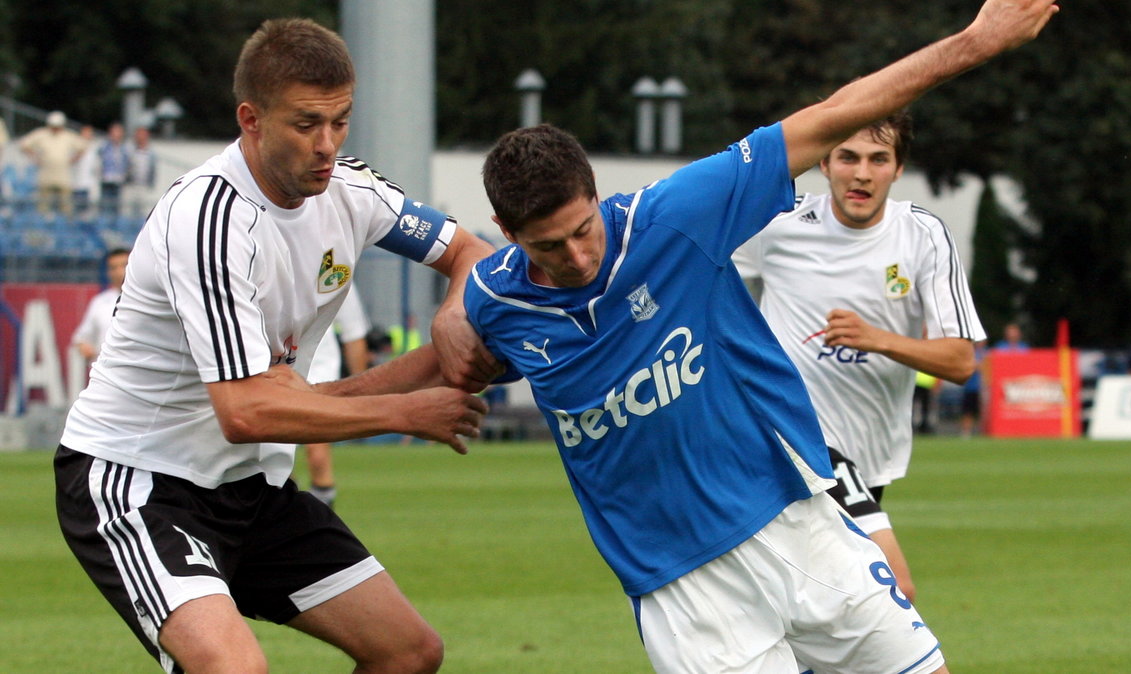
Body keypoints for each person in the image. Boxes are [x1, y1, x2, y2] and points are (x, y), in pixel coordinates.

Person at [463, 2, 1059, 671]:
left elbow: (833, 112)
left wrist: (977, 42)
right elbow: (454, 346)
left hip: (796, 514)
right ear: (506, 231)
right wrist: (392, 401)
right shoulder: (493, 300)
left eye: (583, 230)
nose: (575, 257)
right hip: (683, 587)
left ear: (595, 193)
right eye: (550, 246)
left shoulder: (679, 213)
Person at [54, 18, 499, 674]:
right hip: (140, 480)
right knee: (233, 669)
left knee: (408, 652)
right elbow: (245, 413)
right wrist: (406, 411)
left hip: (249, 488)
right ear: (251, 119)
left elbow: (470, 251)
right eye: (306, 124)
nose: (327, 145)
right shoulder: (209, 218)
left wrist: (453, 320)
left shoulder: (353, 191)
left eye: (341, 122)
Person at [733, 112, 985, 604]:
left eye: (878, 159)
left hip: (873, 454)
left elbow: (960, 361)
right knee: (892, 588)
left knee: (828, 604)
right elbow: (693, 260)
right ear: (824, 163)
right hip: (797, 438)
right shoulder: (778, 227)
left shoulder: (923, 236)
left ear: (898, 167)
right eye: (848, 157)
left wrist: (878, 338)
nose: (862, 173)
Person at [301, 282, 371, 508]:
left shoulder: (334, 265)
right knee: (269, 456)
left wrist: (362, 395)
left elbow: (354, 333)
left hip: (319, 369)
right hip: (273, 367)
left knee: (317, 452)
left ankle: (321, 509)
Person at [19, 110, 87, 214]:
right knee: (44, 204)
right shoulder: (41, 134)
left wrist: (73, 160)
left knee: (66, 203)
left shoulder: (68, 135)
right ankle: (44, 225)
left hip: (63, 174)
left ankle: (66, 223)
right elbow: (24, 144)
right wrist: (35, 158)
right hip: (46, 173)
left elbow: (83, 147)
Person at [70, 248, 131, 363]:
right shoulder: (100, 302)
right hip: (107, 372)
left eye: (124, 265)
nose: (119, 272)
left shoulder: (149, 298)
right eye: (113, 268)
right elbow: (81, 338)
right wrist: (85, 348)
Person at [97, 121, 131, 215]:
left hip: (118, 181)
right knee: (105, 205)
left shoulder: (125, 148)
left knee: (117, 207)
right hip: (106, 180)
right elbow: (99, 161)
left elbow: (128, 164)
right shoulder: (104, 146)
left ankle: (114, 228)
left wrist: (125, 176)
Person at [126, 126, 157, 216]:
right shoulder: (130, 150)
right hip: (131, 186)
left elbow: (153, 170)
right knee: (129, 212)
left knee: (144, 212)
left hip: (144, 186)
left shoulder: (151, 153)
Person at [71, 124, 100, 214]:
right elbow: (71, 162)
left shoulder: (96, 147)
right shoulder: (75, 147)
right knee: (77, 210)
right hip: (77, 183)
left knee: (88, 212)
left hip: (90, 184)